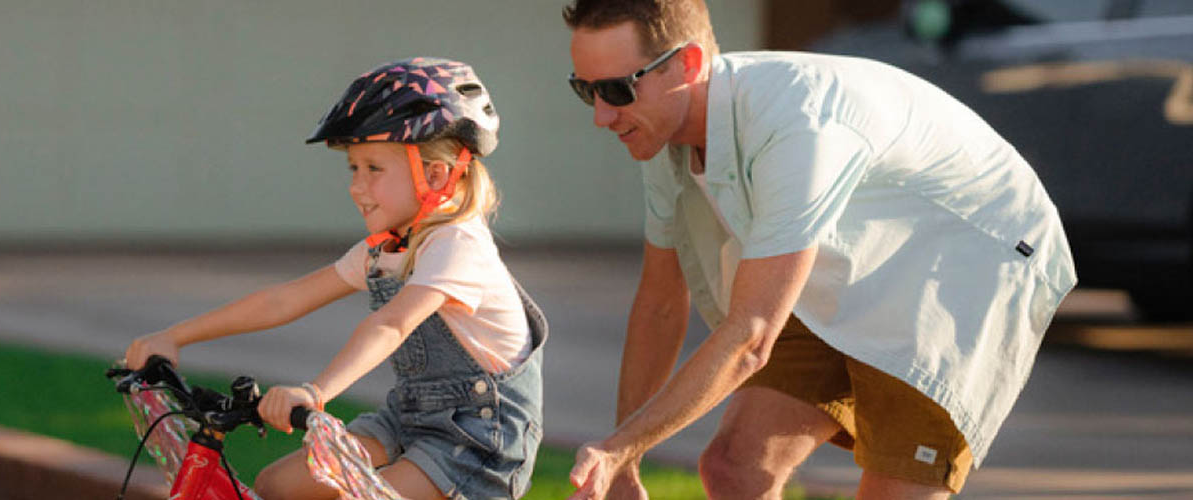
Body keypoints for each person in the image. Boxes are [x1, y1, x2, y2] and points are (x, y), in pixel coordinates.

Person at [561, 1, 1075, 499]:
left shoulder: (797, 121)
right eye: (587, 92)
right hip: (850, 258)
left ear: (689, 64)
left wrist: (619, 446)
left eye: (617, 89)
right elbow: (659, 304)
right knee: (735, 467)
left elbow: (751, 338)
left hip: (964, 259)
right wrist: (624, 464)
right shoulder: (657, 128)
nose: (602, 116)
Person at [124, 57, 546, 500]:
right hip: (409, 418)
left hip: (477, 441)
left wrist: (315, 391)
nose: (355, 185)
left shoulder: (457, 245)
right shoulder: (387, 248)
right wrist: (175, 336)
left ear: (436, 174)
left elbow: (392, 324)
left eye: (373, 169)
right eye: (353, 168)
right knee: (277, 486)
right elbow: (283, 301)